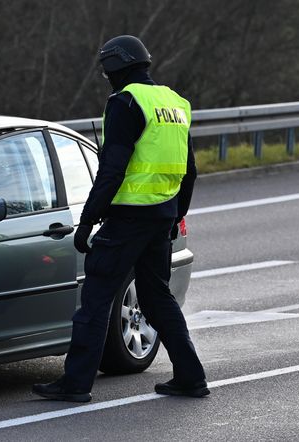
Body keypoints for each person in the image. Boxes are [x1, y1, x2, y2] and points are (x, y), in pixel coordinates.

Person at [32, 35, 208, 402]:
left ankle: (76, 383)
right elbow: (190, 171)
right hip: (161, 217)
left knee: (96, 299)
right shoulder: (175, 103)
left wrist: (87, 220)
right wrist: (176, 214)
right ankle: (191, 376)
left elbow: (112, 170)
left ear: (115, 66)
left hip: (128, 219)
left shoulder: (126, 102)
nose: (105, 78)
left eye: (105, 71)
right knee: (158, 298)